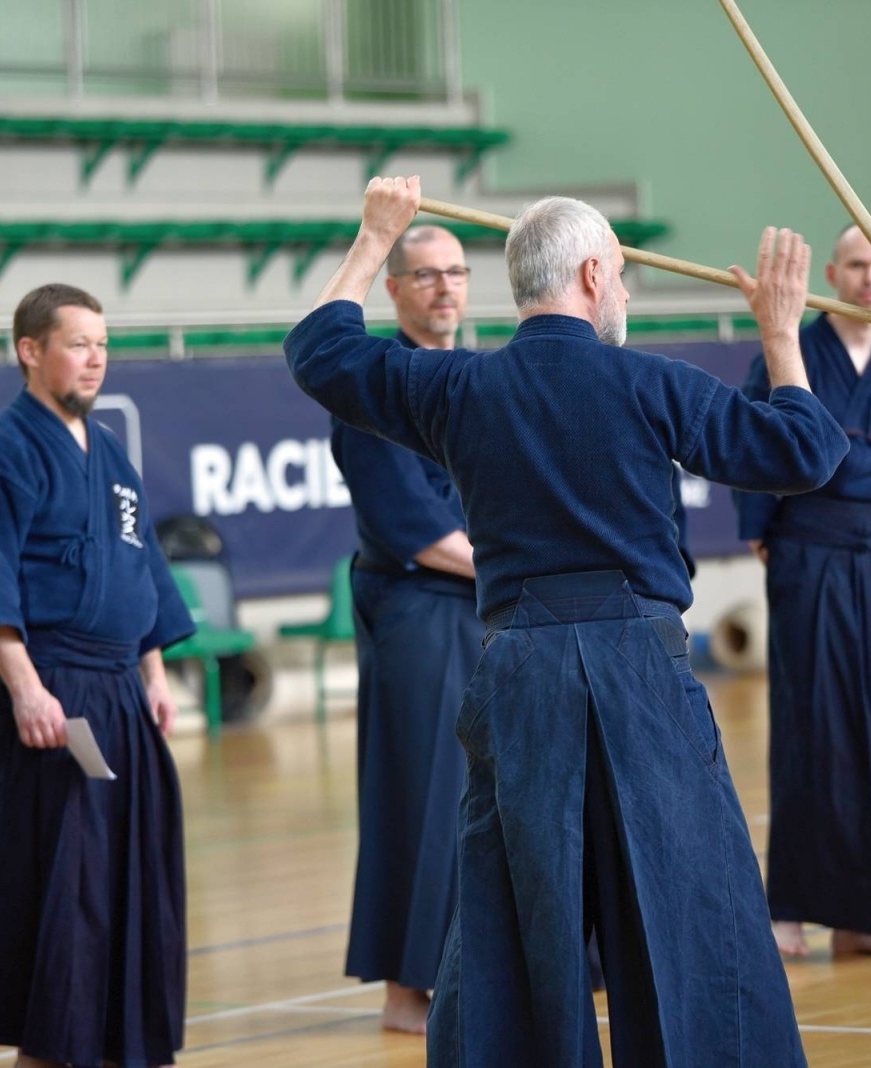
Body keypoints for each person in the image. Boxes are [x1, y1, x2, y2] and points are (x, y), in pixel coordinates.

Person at [286, 176, 849, 1066]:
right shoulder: (653, 382)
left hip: (520, 674)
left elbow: (319, 352)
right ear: (592, 275)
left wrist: (375, 233)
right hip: (642, 673)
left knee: (517, 912)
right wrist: (779, 331)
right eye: (620, 276)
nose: (623, 291)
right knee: (686, 900)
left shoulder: (459, 390)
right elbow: (805, 452)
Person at [0, 283, 196, 1068]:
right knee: (68, 895)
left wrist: (155, 672)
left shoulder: (111, 454)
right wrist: (25, 687)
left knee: (130, 885)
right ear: (30, 351)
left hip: (121, 691)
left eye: (103, 344)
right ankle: (50, 1053)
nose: (95, 359)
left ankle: (116, 1046)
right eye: (78, 343)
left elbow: (143, 568)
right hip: (54, 695)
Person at [733, 224, 871, 960]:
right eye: (855, 264)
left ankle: (870, 911)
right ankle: (794, 905)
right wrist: (766, 534)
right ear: (830, 272)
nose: (868, 278)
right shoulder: (792, 349)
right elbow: (751, 441)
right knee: (813, 727)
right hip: (809, 548)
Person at [331, 224, 483, 1034]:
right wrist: (512, 566)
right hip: (420, 611)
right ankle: (406, 989)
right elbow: (415, 529)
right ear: (393, 289)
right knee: (422, 794)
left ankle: (492, 969)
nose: (445, 288)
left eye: (456, 272)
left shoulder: (480, 376)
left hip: (489, 606)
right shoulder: (372, 389)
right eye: (425, 275)